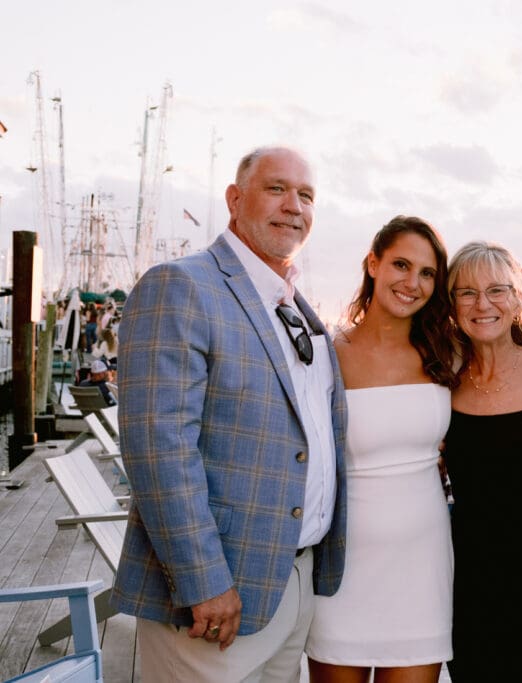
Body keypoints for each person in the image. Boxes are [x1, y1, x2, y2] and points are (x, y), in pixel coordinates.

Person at [111, 146, 348, 682]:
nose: (294, 205)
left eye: (306, 195)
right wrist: (203, 581)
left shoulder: (296, 309)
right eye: (277, 189)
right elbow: (160, 448)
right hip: (216, 598)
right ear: (235, 200)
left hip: (295, 586)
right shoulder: (181, 285)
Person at [306, 215, 458, 683]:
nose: (413, 283)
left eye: (428, 273)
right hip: (342, 572)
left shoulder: (447, 351)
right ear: (372, 264)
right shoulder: (326, 355)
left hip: (422, 567)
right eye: (401, 265)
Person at [442, 241, 522, 682]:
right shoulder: (444, 381)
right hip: (467, 581)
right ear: (451, 304)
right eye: (466, 292)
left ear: (517, 299)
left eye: (497, 290)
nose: (482, 304)